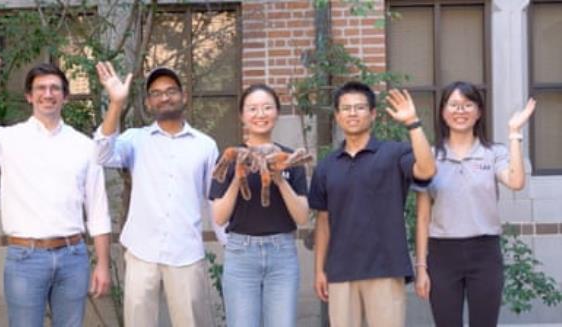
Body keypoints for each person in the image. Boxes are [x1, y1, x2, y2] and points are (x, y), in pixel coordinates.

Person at [0, 51, 112, 327]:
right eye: (40, 88)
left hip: (73, 257)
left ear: (65, 97)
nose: (48, 93)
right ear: (30, 96)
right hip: (25, 259)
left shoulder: (84, 146)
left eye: (55, 88)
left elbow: (99, 211)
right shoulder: (8, 139)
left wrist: (102, 264)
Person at [94, 62, 219, 326]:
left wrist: (229, 243)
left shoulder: (205, 146)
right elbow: (101, 154)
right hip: (142, 251)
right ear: (149, 103)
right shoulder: (135, 140)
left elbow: (214, 199)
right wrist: (116, 103)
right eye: (156, 93)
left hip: (186, 252)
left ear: (183, 96)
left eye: (171, 90)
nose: (165, 97)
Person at [309, 81, 436, 327]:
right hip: (341, 270)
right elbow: (323, 223)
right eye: (346, 108)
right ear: (337, 116)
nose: (353, 113)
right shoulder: (326, 166)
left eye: (360, 107)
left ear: (373, 114)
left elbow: (427, 169)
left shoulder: (395, 153)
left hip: (385, 267)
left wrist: (412, 123)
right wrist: (319, 270)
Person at [413, 81, 535, 327]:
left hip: (485, 253)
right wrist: (422, 267)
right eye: (454, 105)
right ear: (443, 112)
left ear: (479, 112)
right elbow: (423, 217)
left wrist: (514, 133)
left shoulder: (493, 153)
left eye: (468, 105)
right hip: (442, 253)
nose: (461, 111)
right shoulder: (431, 157)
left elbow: (516, 181)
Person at [209, 84, 310, 327]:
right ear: (242, 115)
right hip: (241, 252)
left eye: (267, 107)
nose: (260, 114)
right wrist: (238, 176)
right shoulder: (231, 157)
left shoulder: (289, 158)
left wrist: (278, 178)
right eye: (253, 109)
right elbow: (220, 216)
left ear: (277, 112)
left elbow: (302, 216)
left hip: (282, 253)